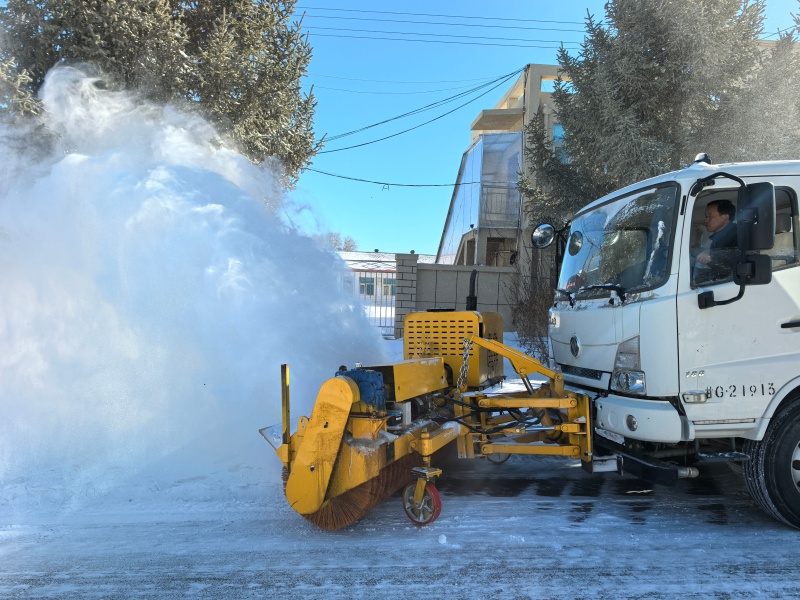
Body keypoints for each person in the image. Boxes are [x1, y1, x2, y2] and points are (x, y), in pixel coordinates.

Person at [694, 199, 738, 283]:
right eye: (706, 217)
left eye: (710, 216)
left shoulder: (739, 236)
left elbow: (733, 266)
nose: (706, 220)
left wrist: (712, 259)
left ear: (725, 217)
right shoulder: (718, 239)